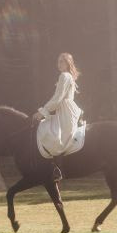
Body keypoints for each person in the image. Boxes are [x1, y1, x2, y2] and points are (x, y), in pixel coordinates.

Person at [33, 53, 85, 181]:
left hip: (66, 112)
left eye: (62, 62)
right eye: (58, 62)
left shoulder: (64, 76)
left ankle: (58, 169)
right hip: (65, 110)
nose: (59, 64)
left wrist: (42, 112)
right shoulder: (68, 76)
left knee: (53, 134)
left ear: (68, 63)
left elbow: (57, 98)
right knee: (50, 130)